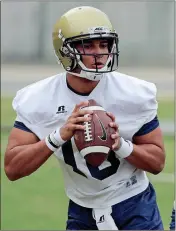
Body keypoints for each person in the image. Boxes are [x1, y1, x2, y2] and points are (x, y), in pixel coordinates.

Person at [4, 6, 165, 230]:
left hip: (135, 205)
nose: (98, 53)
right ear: (65, 51)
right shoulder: (39, 99)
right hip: (81, 211)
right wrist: (57, 137)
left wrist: (120, 145)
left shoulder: (134, 93)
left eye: (103, 44)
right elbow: (12, 168)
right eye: (87, 45)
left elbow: (157, 162)